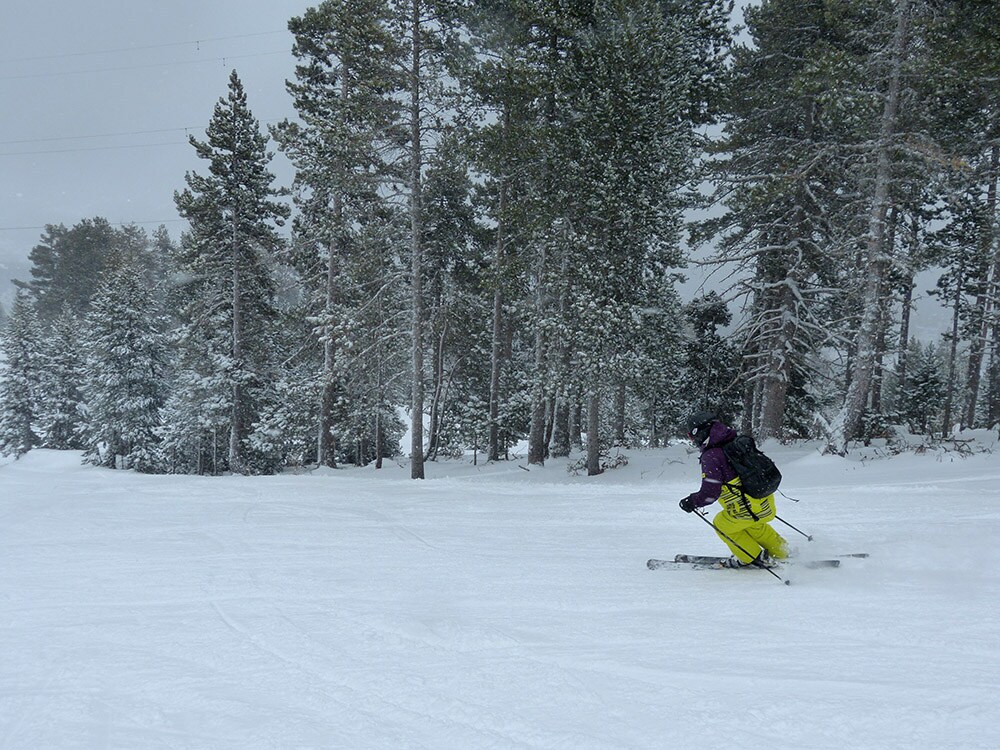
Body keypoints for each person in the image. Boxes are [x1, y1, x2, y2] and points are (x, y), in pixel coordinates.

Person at [678, 411, 789, 568]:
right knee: (754, 525)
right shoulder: (737, 442)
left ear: (699, 432)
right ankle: (782, 551)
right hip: (766, 504)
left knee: (721, 524)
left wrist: (692, 501)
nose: (692, 440)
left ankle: (751, 557)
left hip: (745, 510)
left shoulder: (712, 456)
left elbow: (710, 493)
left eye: (691, 436)